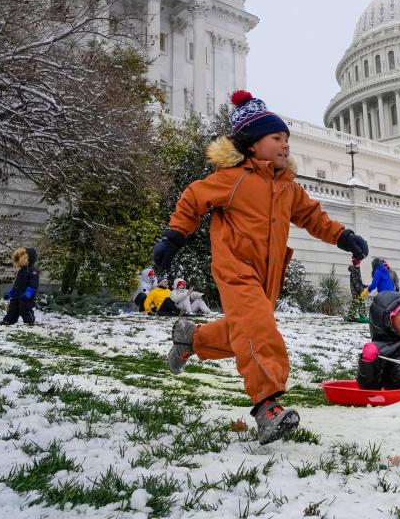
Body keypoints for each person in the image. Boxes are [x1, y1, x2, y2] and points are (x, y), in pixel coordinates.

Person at [154, 90, 368, 445]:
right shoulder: (233, 178)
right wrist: (174, 235)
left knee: (244, 330)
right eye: (276, 138)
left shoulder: (287, 187)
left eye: (287, 139)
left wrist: (343, 236)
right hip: (235, 267)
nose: (285, 145)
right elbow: (194, 198)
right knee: (258, 329)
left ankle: (192, 339)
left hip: (268, 275)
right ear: (252, 144)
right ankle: (267, 407)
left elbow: (312, 217)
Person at [0, 247, 39, 326]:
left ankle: (29, 321)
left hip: (26, 296)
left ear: (28, 258)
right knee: (13, 308)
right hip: (17, 294)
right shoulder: (21, 270)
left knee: (25, 309)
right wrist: (11, 293)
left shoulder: (33, 271)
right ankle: (9, 320)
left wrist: (28, 293)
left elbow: (33, 284)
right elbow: (17, 284)